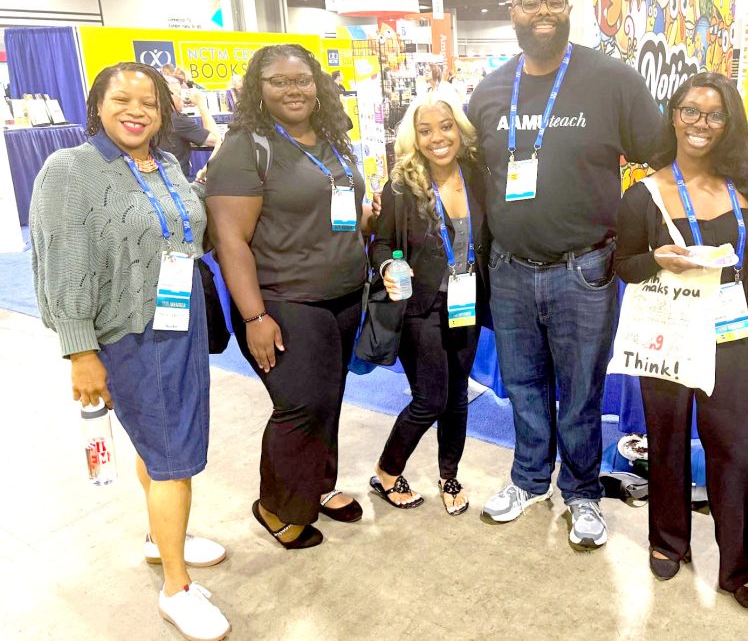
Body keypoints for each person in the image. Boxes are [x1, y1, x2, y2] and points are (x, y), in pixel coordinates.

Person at [466, 0, 670, 549]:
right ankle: (529, 480)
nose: (543, 13)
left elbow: (663, 154)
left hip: (584, 270)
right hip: (509, 267)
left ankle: (582, 492)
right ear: (512, 11)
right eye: (531, 3)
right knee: (523, 385)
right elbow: (467, 168)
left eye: (554, 2)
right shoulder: (490, 89)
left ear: (569, 10)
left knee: (581, 391)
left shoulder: (611, 80)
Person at [30, 62, 230, 641]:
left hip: (180, 324)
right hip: (130, 335)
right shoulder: (70, 170)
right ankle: (176, 588)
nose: (136, 110)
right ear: (98, 105)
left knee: (159, 445)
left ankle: (160, 538)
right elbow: (62, 262)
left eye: (149, 101)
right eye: (122, 99)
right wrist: (80, 352)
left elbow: (184, 228)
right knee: (174, 457)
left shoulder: (164, 164)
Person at [614, 72, 748, 608]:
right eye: (690, 111)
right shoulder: (644, 194)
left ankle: (737, 561)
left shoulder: (747, 190)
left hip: (729, 336)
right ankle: (667, 540)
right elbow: (624, 265)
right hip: (667, 333)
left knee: (735, 450)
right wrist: (655, 259)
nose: (700, 124)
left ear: (729, 123)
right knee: (665, 441)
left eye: (714, 114)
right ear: (673, 115)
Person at [205, 44, 367, 549]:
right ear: (258, 88)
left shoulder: (331, 136)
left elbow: (336, 203)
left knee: (328, 398)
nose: (293, 89)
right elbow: (230, 239)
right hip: (283, 298)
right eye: (278, 81)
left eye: (302, 79)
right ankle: (276, 504)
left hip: (344, 293)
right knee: (300, 404)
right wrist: (255, 316)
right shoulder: (245, 147)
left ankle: (317, 485)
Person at [368, 87, 487, 515]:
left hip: (467, 303)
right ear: (414, 137)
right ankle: (386, 470)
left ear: (460, 129)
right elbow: (381, 243)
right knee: (430, 399)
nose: (438, 137)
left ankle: (449, 474)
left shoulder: (477, 176)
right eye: (426, 130)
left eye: (446, 126)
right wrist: (388, 266)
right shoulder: (402, 186)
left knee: (457, 396)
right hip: (420, 307)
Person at [164, 75, 221, 179]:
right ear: (168, 96)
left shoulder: (157, 117)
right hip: (179, 182)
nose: (182, 98)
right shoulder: (177, 119)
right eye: (179, 93)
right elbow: (216, 141)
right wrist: (201, 104)